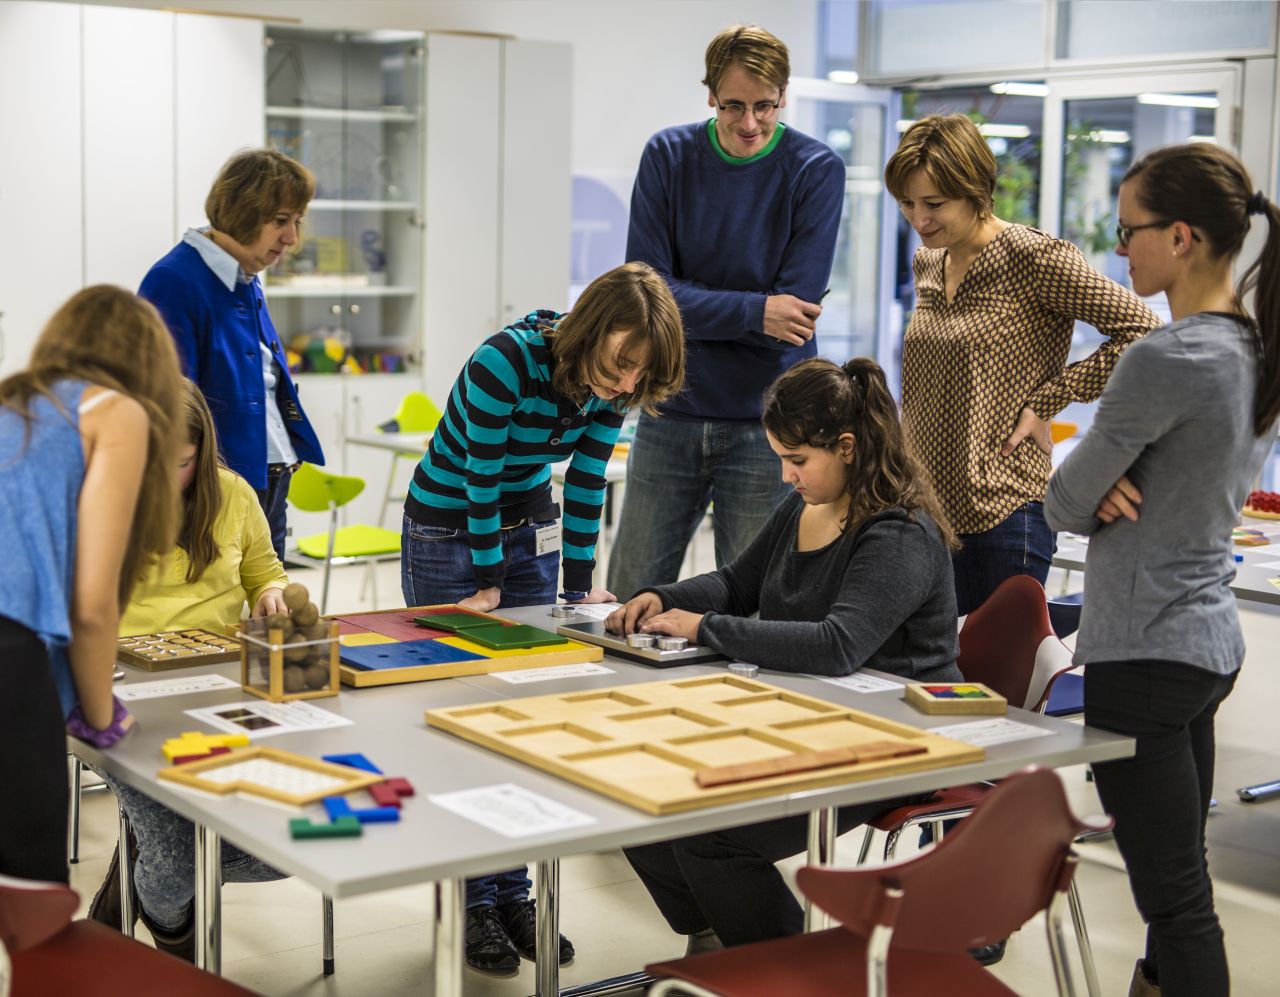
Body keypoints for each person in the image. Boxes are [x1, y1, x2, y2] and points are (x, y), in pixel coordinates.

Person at [608, 356, 962, 951]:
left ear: (847, 446)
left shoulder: (900, 531)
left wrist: (702, 628)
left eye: (796, 460)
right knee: (637, 798)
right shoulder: (805, 506)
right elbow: (735, 584)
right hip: (813, 723)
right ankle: (722, 938)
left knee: (712, 838)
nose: (784, 476)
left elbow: (837, 645)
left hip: (896, 743)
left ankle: (795, 970)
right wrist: (657, 597)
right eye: (780, 458)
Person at [401, 261, 685, 974]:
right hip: (447, 530)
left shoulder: (616, 383)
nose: (623, 386)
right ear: (591, 329)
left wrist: (582, 583)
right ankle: (474, 904)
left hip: (525, 526)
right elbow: (481, 471)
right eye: (619, 364)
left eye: (637, 375)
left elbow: (587, 477)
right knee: (461, 719)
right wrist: (492, 579)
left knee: (524, 722)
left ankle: (515, 894)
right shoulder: (506, 361)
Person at [1045, 145, 1279, 997]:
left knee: (1177, 904)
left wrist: (1091, 480)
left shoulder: (1165, 357)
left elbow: (1065, 504)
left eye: (1128, 230)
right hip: (1208, 647)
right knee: (1180, 890)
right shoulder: (1252, 345)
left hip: (1142, 655)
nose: (1120, 250)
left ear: (1181, 237)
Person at [885, 113, 1160, 615]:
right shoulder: (930, 259)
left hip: (1005, 514)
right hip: (924, 513)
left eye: (934, 204)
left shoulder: (1032, 256)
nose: (918, 219)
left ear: (975, 190)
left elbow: (1143, 330)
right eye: (907, 203)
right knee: (925, 683)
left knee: (996, 689)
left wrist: (1049, 400)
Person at [607, 24, 846, 601]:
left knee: (753, 605)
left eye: (764, 106)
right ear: (710, 93)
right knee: (629, 596)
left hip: (768, 428)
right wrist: (754, 309)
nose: (748, 124)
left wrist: (694, 304)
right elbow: (646, 298)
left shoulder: (815, 170)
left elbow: (792, 322)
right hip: (671, 410)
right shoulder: (668, 156)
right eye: (734, 105)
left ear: (784, 95)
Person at [86, 380, 290, 960]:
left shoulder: (234, 494)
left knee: (286, 847)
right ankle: (180, 948)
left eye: (177, 463)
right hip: (125, 698)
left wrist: (273, 593)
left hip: (222, 686)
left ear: (202, 451)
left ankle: (136, 872)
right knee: (176, 866)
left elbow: (265, 570)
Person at [0, 286, 183, 883]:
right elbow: (92, 603)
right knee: (32, 898)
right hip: (9, 649)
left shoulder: (13, 403)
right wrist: (99, 716)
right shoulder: (116, 410)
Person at [139, 148, 324, 562]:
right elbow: (171, 402)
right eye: (280, 222)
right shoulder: (174, 280)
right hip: (218, 484)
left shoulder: (245, 273)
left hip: (269, 471)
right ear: (243, 211)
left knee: (266, 612)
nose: (291, 239)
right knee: (220, 615)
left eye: (296, 222)